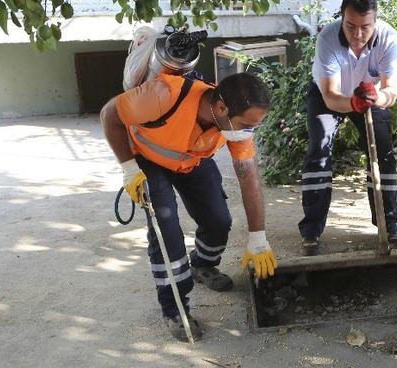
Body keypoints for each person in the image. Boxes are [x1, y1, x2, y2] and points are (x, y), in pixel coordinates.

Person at [100, 72, 278, 342]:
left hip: (192, 159)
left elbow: (249, 177)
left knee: (218, 220)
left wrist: (258, 238)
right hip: (148, 160)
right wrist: (128, 168)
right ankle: (175, 310)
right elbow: (108, 115)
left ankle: (202, 265)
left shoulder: (235, 124)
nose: (248, 133)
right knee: (167, 233)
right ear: (221, 108)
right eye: (246, 124)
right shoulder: (163, 95)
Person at [299, 0, 397, 255]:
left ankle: (389, 226)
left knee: (384, 154)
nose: (358, 35)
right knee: (318, 152)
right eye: (351, 26)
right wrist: (353, 103)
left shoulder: (389, 38)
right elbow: (332, 96)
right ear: (342, 19)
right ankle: (311, 231)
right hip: (330, 96)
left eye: (365, 27)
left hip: (371, 96)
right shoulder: (327, 38)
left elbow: (391, 92)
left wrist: (376, 97)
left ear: (376, 21)